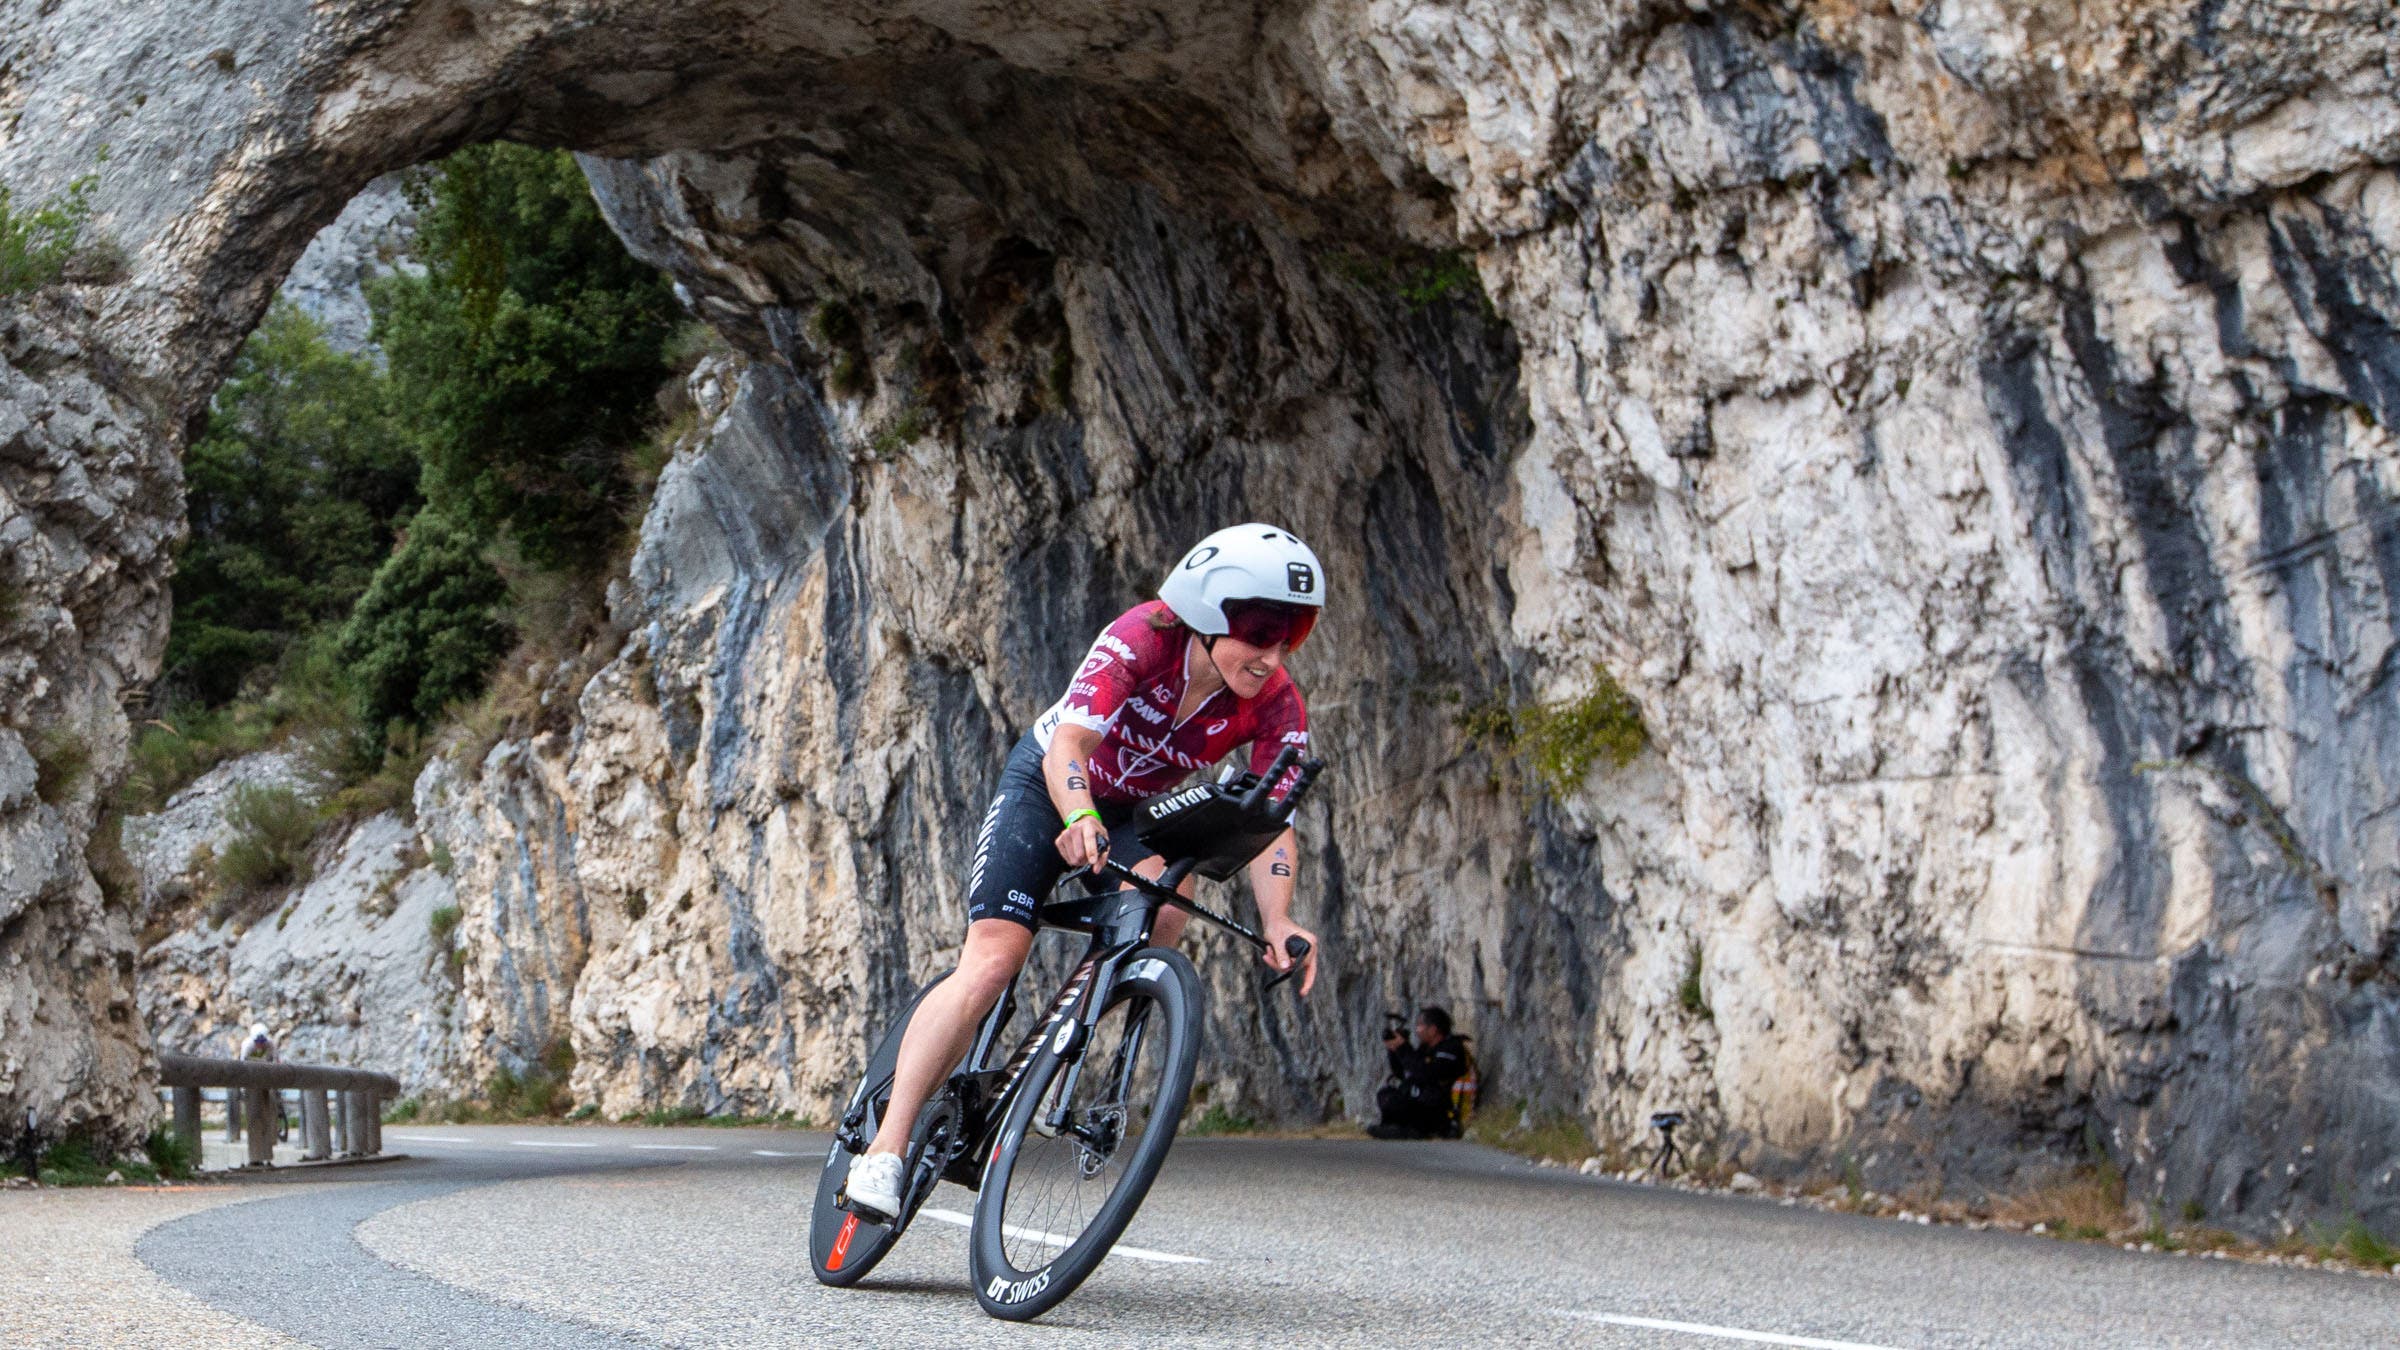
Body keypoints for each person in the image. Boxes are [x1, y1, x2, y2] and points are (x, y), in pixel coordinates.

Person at [842, 524, 1329, 1219]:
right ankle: (885, 1151)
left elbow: (1271, 819)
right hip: (1048, 786)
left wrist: (1278, 918)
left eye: (1292, 636)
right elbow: (1069, 741)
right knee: (993, 959)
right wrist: (1076, 816)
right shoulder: (1142, 638)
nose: (1272, 654)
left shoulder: (1276, 701)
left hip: (1130, 809)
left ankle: (1068, 1041)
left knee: (1169, 901)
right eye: (1260, 630)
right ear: (1207, 612)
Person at [1371, 1006, 1468, 1139]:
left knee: (1395, 1101)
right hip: (1418, 1102)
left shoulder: (1451, 1048)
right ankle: (1398, 1129)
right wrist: (1395, 1051)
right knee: (1386, 1094)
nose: (1417, 1030)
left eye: (1420, 1026)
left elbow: (1427, 1074)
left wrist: (1404, 1048)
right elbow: (1404, 1073)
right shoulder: (1425, 1049)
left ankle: (1413, 1131)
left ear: (1433, 1030)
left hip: (1437, 1108)